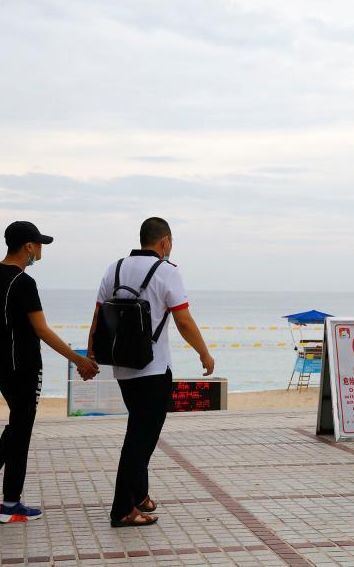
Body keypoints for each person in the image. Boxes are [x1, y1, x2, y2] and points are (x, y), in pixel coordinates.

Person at [0, 221, 100, 523]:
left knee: (19, 426)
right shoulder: (24, 283)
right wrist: (78, 360)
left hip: (1, 367)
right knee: (21, 428)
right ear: (28, 246)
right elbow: (41, 329)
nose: (40, 251)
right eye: (38, 245)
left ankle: (2, 494)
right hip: (25, 367)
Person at [88, 217, 215, 527]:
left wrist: (91, 354)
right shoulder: (168, 273)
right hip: (154, 369)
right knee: (140, 438)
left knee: (140, 431)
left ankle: (140, 494)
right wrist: (204, 352)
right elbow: (184, 321)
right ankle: (122, 509)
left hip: (122, 367)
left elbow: (98, 317)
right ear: (165, 243)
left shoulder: (114, 269)